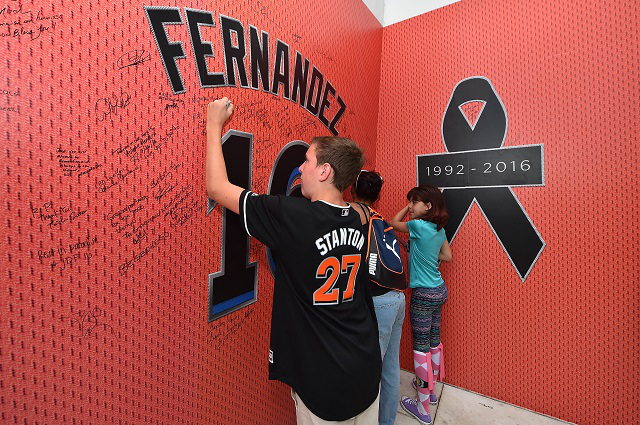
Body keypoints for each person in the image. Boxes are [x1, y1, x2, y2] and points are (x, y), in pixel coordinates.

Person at [205, 98, 381, 424]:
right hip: (366, 366)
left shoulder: (292, 215)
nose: (301, 168)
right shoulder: (359, 217)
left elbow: (217, 188)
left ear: (325, 171)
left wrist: (214, 125)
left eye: (308, 161)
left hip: (324, 381)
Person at [389, 185, 452, 425]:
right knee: (434, 341)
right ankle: (432, 391)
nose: (412, 206)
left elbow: (394, 222)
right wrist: (426, 257)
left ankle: (422, 408)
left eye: (415, 202)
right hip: (439, 291)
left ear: (428, 206)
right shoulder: (438, 229)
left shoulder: (416, 226)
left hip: (423, 296)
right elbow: (447, 256)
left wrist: (407, 210)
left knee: (421, 348)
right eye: (410, 202)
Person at [351, 171, 406, 425]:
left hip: (379, 302)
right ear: (379, 195)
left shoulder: (355, 218)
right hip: (398, 298)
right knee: (391, 368)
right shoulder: (380, 219)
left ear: (352, 190)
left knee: (371, 372)